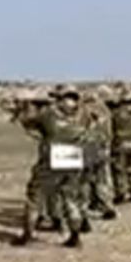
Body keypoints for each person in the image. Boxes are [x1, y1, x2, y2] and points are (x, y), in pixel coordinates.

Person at [14, 86, 88, 248]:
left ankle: (27, 234)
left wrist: (27, 107)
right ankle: (75, 236)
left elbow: (28, 123)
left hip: (51, 159)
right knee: (70, 198)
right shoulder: (83, 115)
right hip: (74, 158)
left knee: (35, 197)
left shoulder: (49, 114)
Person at [81, 90, 117, 220]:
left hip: (90, 147)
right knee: (103, 178)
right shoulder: (105, 110)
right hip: (104, 147)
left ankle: (84, 207)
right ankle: (107, 205)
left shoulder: (85, 111)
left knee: (85, 179)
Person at [109, 88, 131, 204]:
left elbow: (112, 127)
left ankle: (121, 194)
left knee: (119, 171)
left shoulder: (117, 113)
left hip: (121, 143)